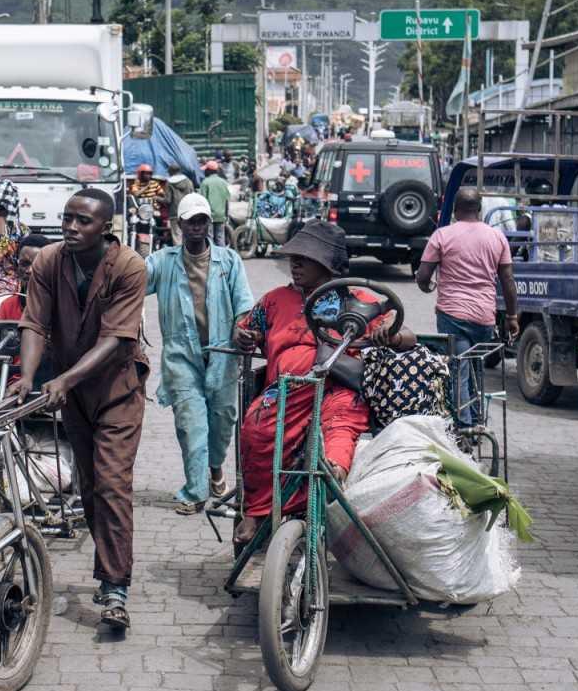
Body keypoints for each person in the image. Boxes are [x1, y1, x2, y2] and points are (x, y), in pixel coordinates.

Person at [6, 189, 148, 632]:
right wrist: (27, 377)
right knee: (89, 486)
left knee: (112, 483)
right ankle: (110, 562)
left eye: (82, 221)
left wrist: (63, 380)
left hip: (116, 391)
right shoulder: (49, 261)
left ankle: (115, 586)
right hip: (73, 394)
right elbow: (34, 323)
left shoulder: (129, 266)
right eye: (67, 218)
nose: (71, 227)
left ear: (105, 226)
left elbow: (117, 339)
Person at [233, 222, 412, 555]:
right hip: (285, 390)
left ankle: (329, 495)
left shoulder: (357, 299)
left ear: (328, 264)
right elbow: (244, 329)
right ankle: (257, 512)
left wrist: (392, 334)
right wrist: (242, 336)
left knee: (338, 433)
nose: (295, 264)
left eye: (305, 258)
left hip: (338, 387)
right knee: (255, 429)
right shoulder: (275, 300)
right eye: (294, 257)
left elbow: (406, 334)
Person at [145, 195, 252, 515]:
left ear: (209, 223)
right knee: (192, 425)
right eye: (190, 221)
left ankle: (216, 468)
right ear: (179, 225)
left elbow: (244, 304)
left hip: (223, 354)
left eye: (201, 220)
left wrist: (241, 327)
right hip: (181, 357)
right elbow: (134, 279)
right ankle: (195, 491)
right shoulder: (163, 261)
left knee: (222, 420)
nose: (196, 226)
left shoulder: (229, 260)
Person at [417, 187, 519, 426]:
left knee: (459, 369)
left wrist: (426, 286)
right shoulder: (497, 237)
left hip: (453, 315)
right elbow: (508, 281)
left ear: (455, 210)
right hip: (484, 317)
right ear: (479, 209)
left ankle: (464, 427)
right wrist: (512, 316)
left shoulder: (442, 235)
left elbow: (423, 276)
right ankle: (475, 418)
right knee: (475, 367)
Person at [129, 164, 164, 258]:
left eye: (149, 174)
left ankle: (159, 243)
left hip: (153, 211)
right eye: (145, 174)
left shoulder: (155, 184)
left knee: (160, 225)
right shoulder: (136, 184)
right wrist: (146, 187)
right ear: (140, 174)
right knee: (130, 221)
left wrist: (158, 198)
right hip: (140, 211)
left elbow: (162, 194)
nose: (148, 176)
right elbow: (135, 194)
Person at [199, 161, 232, 248]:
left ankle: (212, 259)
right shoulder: (223, 183)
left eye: (206, 170)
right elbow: (227, 201)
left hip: (209, 215)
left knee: (209, 239)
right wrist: (226, 215)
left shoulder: (205, 182)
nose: (204, 172)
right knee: (220, 239)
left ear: (209, 171)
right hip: (221, 215)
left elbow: (202, 201)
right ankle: (222, 258)